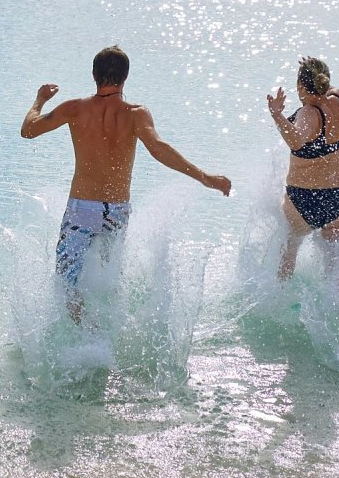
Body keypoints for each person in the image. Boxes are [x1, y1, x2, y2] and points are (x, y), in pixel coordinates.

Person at [21, 46, 232, 317]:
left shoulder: (73, 109)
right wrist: (205, 178)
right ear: (126, 76)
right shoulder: (135, 113)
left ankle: (86, 334)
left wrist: (39, 100)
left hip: (80, 210)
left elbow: (28, 130)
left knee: (67, 281)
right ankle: (110, 334)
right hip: (116, 211)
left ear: (93, 74)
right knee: (110, 279)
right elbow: (158, 148)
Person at [268, 56, 339, 320]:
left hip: (304, 201)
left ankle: (277, 307)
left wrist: (278, 115)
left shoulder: (307, 113)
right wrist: (330, 90)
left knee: (289, 251)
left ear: (301, 88)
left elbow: (297, 140)